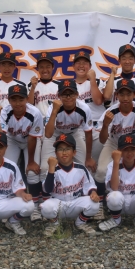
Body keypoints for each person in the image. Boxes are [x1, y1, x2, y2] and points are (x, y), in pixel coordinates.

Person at [95, 79, 135, 220]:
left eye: (128, 94)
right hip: (114, 142)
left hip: (132, 145)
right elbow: (102, 140)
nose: (125, 98)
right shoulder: (110, 111)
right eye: (122, 94)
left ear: (134, 94)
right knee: (101, 171)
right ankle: (99, 204)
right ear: (117, 95)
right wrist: (105, 125)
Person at [39, 80, 94, 212]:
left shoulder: (84, 108)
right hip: (55, 134)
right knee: (45, 168)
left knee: (86, 165)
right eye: (64, 94)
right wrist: (54, 111)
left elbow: (88, 133)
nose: (68, 97)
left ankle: (86, 198)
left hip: (74, 133)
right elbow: (48, 134)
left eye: (71, 94)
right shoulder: (53, 108)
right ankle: (45, 202)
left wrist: (89, 157)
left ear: (77, 94)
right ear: (59, 95)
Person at [0, 84, 44, 220]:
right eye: (14, 99)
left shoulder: (35, 113)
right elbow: (1, 135)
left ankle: (35, 205)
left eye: (21, 99)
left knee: (32, 173)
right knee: (7, 170)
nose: (17, 103)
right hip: (12, 139)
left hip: (30, 140)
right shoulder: (5, 112)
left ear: (27, 99)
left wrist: (30, 162)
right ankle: (9, 204)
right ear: (9, 100)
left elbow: (32, 138)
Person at [41, 134, 100, 237]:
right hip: (58, 204)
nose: (64, 152)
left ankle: (80, 223)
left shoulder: (81, 168)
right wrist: (51, 169)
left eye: (67, 149)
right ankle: (55, 224)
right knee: (46, 207)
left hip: (75, 204)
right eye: (60, 149)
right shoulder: (52, 169)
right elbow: (48, 189)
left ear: (74, 152)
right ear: (56, 153)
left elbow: (90, 185)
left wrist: (93, 193)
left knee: (95, 204)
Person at [98, 133, 135, 232]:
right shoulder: (112, 165)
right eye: (126, 149)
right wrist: (116, 162)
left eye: (133, 149)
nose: (129, 153)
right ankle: (116, 220)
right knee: (114, 196)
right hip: (119, 202)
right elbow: (114, 187)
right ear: (119, 150)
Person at [73, 50, 107, 167]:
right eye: (78, 62)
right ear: (73, 66)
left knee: (96, 163)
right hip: (79, 129)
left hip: (97, 127)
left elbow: (98, 101)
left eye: (85, 63)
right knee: (84, 163)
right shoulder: (69, 85)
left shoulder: (97, 81)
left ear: (90, 66)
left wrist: (92, 80)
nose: (81, 65)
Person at [27, 51, 59, 117]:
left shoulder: (60, 85)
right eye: (41, 67)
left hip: (55, 120)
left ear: (53, 67)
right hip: (38, 120)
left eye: (48, 67)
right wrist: (33, 88)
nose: (45, 70)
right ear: (38, 68)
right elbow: (29, 105)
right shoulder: (31, 84)